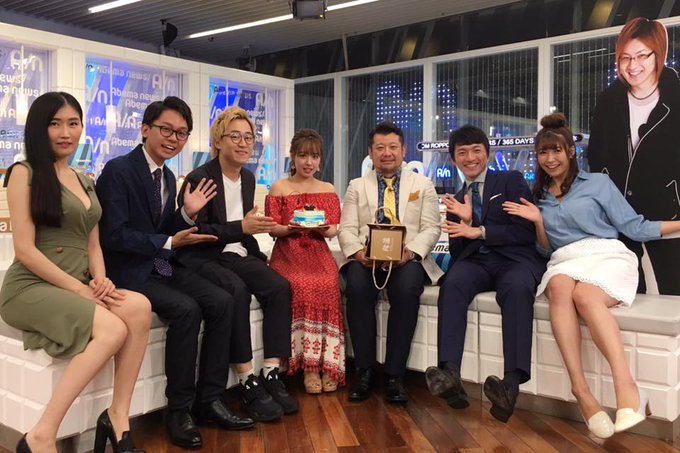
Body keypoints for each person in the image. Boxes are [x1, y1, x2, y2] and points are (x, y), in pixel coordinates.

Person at [503, 113, 680, 438]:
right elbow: (544, 251)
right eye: (543, 152)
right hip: (565, 260)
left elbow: (634, 227)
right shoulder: (538, 196)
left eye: (557, 150)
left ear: (571, 151)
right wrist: (538, 221)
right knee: (559, 285)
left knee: (584, 296)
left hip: (605, 254)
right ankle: (581, 391)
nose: (550, 158)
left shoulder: (597, 183)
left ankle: (627, 388)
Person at [96, 97, 254, 450]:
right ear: (145, 129)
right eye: (166, 130)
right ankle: (179, 409)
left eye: (181, 133)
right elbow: (114, 235)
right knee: (187, 309)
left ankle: (210, 399)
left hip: (161, 265)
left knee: (222, 301)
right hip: (129, 271)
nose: (174, 138)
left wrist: (184, 214)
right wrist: (168, 239)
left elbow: (164, 227)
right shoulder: (119, 170)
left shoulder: (168, 175)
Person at [0, 92, 151, 453]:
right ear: (39, 128)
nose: (65, 132)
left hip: (78, 282)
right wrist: (80, 290)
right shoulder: (24, 172)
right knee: (113, 328)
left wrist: (99, 280)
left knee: (139, 308)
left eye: (73, 123)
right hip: (30, 287)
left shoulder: (84, 180)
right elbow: (25, 251)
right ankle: (41, 435)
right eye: (55, 124)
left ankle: (117, 416)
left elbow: (92, 244)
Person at [175, 106, 298, 421]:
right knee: (237, 290)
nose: (243, 144)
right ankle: (246, 379)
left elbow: (245, 231)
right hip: (205, 255)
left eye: (248, 138)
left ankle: (271, 371)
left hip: (236, 253)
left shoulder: (248, 178)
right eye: (235, 137)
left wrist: (257, 250)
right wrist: (240, 228)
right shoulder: (200, 178)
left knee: (279, 286)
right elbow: (196, 232)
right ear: (218, 141)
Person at [425, 125, 546, 423]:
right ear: (454, 159)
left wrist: (478, 228)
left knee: (517, 289)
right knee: (452, 283)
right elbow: (457, 251)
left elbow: (524, 231)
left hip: (515, 260)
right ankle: (450, 373)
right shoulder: (456, 199)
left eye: (476, 151)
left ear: (487, 153)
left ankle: (511, 384)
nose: (470, 158)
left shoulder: (510, 180)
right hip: (477, 263)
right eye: (462, 153)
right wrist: (466, 221)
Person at [338, 121, 442, 403]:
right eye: (380, 147)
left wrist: (410, 253)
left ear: (403, 150)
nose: (387, 153)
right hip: (366, 258)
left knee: (407, 290)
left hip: (408, 257)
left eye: (393, 147)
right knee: (356, 287)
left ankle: (395, 376)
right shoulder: (357, 186)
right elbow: (346, 229)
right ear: (370, 152)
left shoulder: (422, 185)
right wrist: (358, 253)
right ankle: (364, 371)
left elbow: (431, 228)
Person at [588, 17, 680, 295]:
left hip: (668, 213)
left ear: (658, 54)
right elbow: (597, 156)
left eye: (641, 56)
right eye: (625, 57)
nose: (632, 65)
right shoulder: (609, 100)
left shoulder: (676, 98)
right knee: (627, 293)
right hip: (619, 213)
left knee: (674, 292)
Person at [265, 129, 345, 394]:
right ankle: (309, 367)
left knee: (329, 282)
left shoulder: (327, 189)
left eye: (314, 156)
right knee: (301, 285)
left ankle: (329, 364)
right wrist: (291, 227)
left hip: (318, 251)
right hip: (288, 252)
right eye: (303, 156)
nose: (308, 162)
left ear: (320, 160)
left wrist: (321, 228)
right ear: (293, 157)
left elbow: (332, 230)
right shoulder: (279, 188)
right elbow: (272, 229)